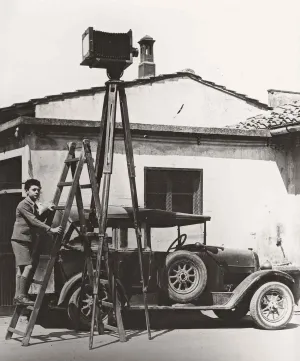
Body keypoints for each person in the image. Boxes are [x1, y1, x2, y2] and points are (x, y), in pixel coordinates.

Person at [11, 179, 63, 305]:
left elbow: (37, 218)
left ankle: (18, 296)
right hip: (20, 240)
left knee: (21, 268)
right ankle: (21, 296)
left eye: (38, 190)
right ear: (27, 191)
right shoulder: (23, 204)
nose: (37, 192)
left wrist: (47, 210)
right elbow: (33, 221)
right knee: (28, 266)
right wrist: (51, 229)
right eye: (34, 190)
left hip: (25, 239)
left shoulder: (32, 204)